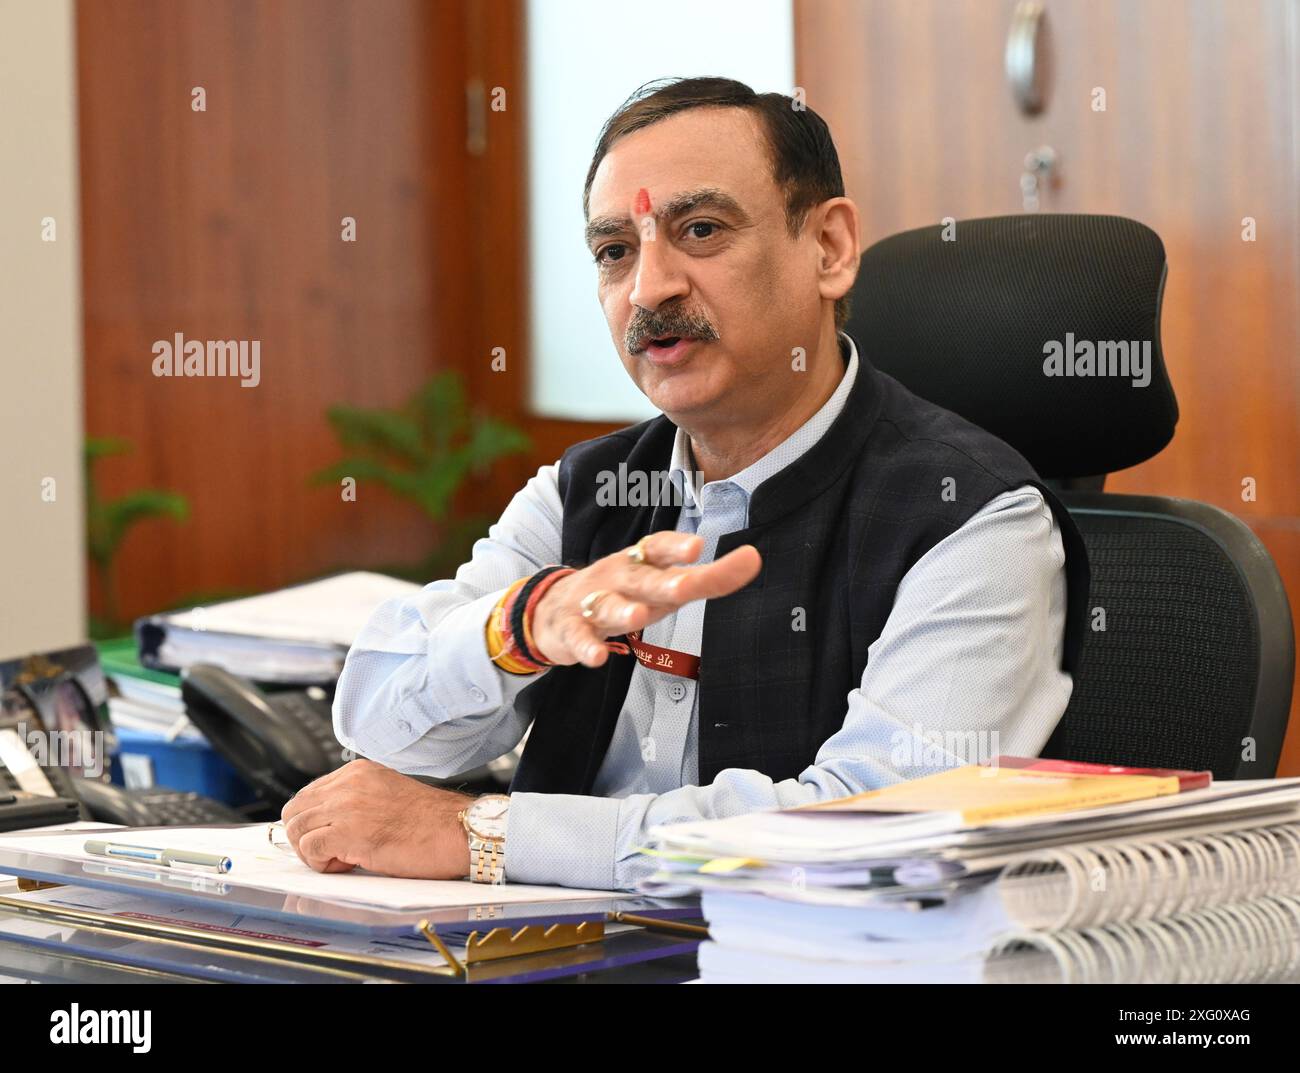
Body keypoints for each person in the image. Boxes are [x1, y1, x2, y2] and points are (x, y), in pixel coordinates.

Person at [281, 76, 1087, 891]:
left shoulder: (977, 520)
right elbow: (382, 732)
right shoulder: (586, 489)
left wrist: (487, 833)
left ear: (830, 249)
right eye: (615, 252)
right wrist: (520, 625)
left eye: (700, 230)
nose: (649, 289)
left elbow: (876, 834)